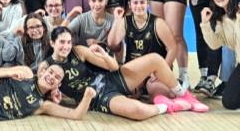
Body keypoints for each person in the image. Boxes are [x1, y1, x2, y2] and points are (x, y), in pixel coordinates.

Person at [42, 27, 207, 120]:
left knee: (155, 59)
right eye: (62, 42)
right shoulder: (46, 66)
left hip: (109, 79)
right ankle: (169, 106)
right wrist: (53, 94)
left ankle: (185, 96)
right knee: (138, 112)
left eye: (68, 42)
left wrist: (104, 55)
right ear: (52, 43)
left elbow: (114, 67)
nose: (66, 46)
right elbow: (42, 92)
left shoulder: (78, 51)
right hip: (97, 97)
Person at [107, 0, 177, 69]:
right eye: (135, 3)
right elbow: (112, 44)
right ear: (130, 5)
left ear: (147, 4)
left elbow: (173, 48)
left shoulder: (158, 23)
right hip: (134, 70)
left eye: (142, 2)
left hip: (154, 70)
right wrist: (116, 20)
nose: (139, 6)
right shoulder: (125, 21)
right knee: (118, 75)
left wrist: (163, 69)